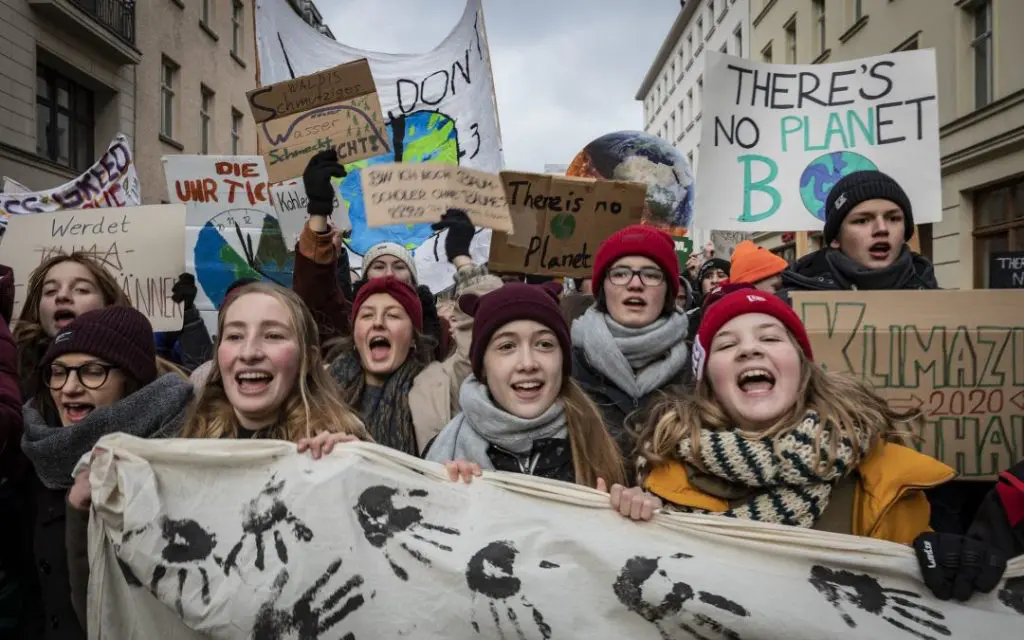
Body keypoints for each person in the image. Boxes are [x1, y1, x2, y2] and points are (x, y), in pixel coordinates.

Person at [632, 289, 956, 544]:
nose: (749, 350)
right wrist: (634, 523)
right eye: (727, 345)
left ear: (802, 368)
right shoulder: (663, 476)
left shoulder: (884, 479)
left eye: (770, 338)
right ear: (708, 382)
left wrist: (934, 554)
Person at [20, 307, 194, 638]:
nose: (69, 388)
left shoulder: (183, 451)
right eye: (58, 372)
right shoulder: (38, 456)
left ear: (131, 379)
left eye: (92, 371)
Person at [426, 283, 626, 487]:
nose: (528, 363)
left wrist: (633, 511)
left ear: (563, 361)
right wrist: (446, 501)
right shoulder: (442, 453)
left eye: (544, 344)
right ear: (483, 366)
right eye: (507, 346)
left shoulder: (610, 447)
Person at [294, 150, 486, 359]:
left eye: (399, 266)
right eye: (378, 266)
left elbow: (486, 331)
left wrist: (461, 257)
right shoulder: (346, 324)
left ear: (413, 279)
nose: (388, 273)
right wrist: (318, 211)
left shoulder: (440, 331)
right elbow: (315, 296)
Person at [177, 282, 366, 442]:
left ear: (308, 358)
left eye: (273, 336)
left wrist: (354, 470)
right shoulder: (187, 441)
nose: (249, 353)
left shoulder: (341, 442)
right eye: (235, 336)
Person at [570, 225, 691, 456]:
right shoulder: (566, 365)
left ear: (669, 290)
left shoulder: (697, 369)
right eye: (620, 273)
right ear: (602, 287)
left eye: (651, 275)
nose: (635, 284)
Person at [778, 170, 938, 298]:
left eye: (893, 218)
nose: (882, 228)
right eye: (862, 221)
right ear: (835, 238)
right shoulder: (788, 307)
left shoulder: (942, 305)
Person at [326, 276, 438, 455]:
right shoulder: (322, 391)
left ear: (413, 339)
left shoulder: (437, 391)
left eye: (392, 315)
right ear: (355, 335)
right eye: (367, 315)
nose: (378, 323)